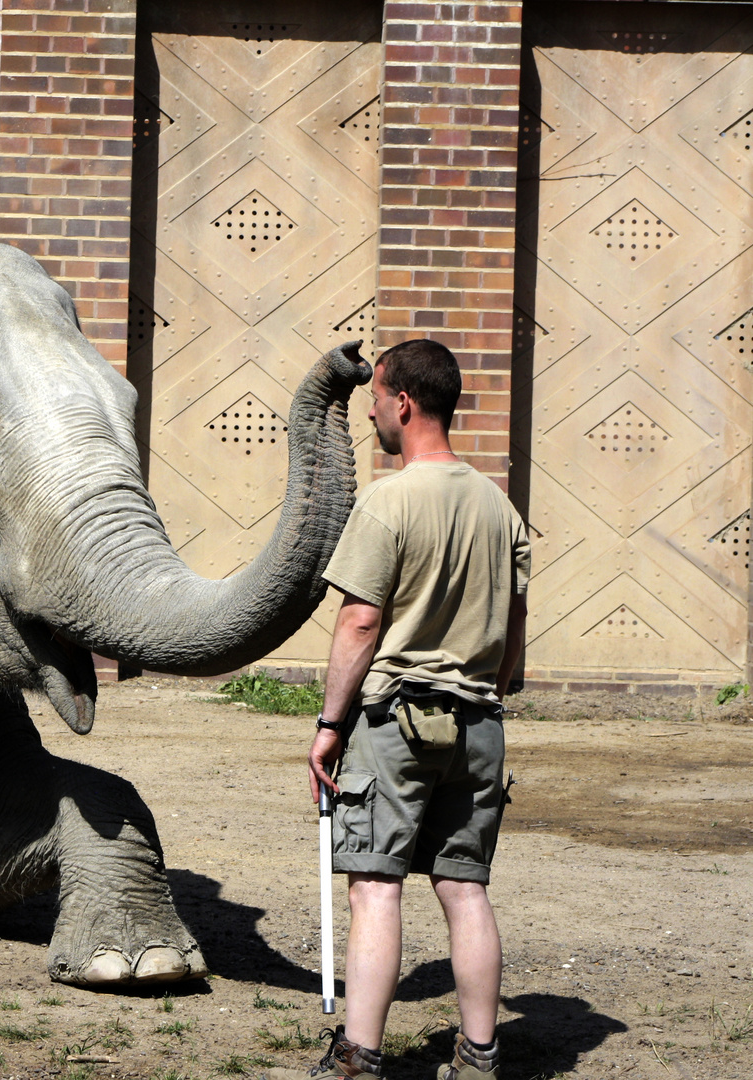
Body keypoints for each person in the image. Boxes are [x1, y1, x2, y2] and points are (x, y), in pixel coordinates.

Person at [265, 338, 529, 1080]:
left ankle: (359, 1056)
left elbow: (358, 623)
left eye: (376, 399)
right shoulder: (499, 508)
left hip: (397, 723)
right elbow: (513, 631)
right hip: (478, 723)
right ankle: (480, 1057)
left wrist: (328, 726)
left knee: (376, 886)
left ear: (403, 402)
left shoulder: (388, 501)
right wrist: (490, 688)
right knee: (465, 888)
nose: (374, 413)